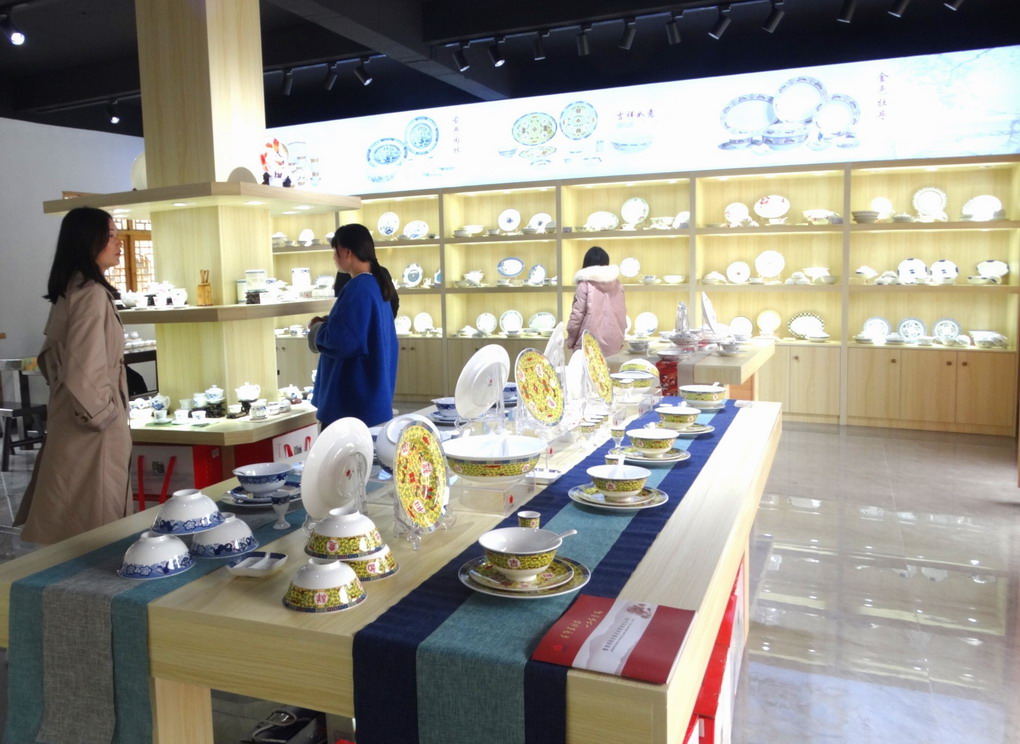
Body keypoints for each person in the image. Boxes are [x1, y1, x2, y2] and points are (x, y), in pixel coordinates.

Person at [15, 207, 133, 544]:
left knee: (70, 512)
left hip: (71, 415)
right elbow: (85, 367)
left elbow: (50, 359)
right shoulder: (91, 294)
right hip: (92, 423)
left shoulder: (71, 288)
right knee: (97, 519)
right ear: (87, 240)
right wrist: (104, 416)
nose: (119, 243)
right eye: (110, 235)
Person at [308, 224, 399, 428]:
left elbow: (343, 341)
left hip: (349, 406)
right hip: (370, 402)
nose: (334, 257)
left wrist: (317, 330)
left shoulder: (359, 287)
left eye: (335, 251)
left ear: (347, 252)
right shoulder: (376, 284)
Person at [565, 245, 627, 357]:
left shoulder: (584, 284)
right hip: (614, 344)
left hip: (589, 343)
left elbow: (577, 317)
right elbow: (622, 314)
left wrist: (571, 340)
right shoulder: (618, 284)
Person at [334, 266, 399, 317]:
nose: (334, 257)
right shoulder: (381, 272)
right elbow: (393, 305)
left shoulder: (343, 275)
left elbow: (338, 307)